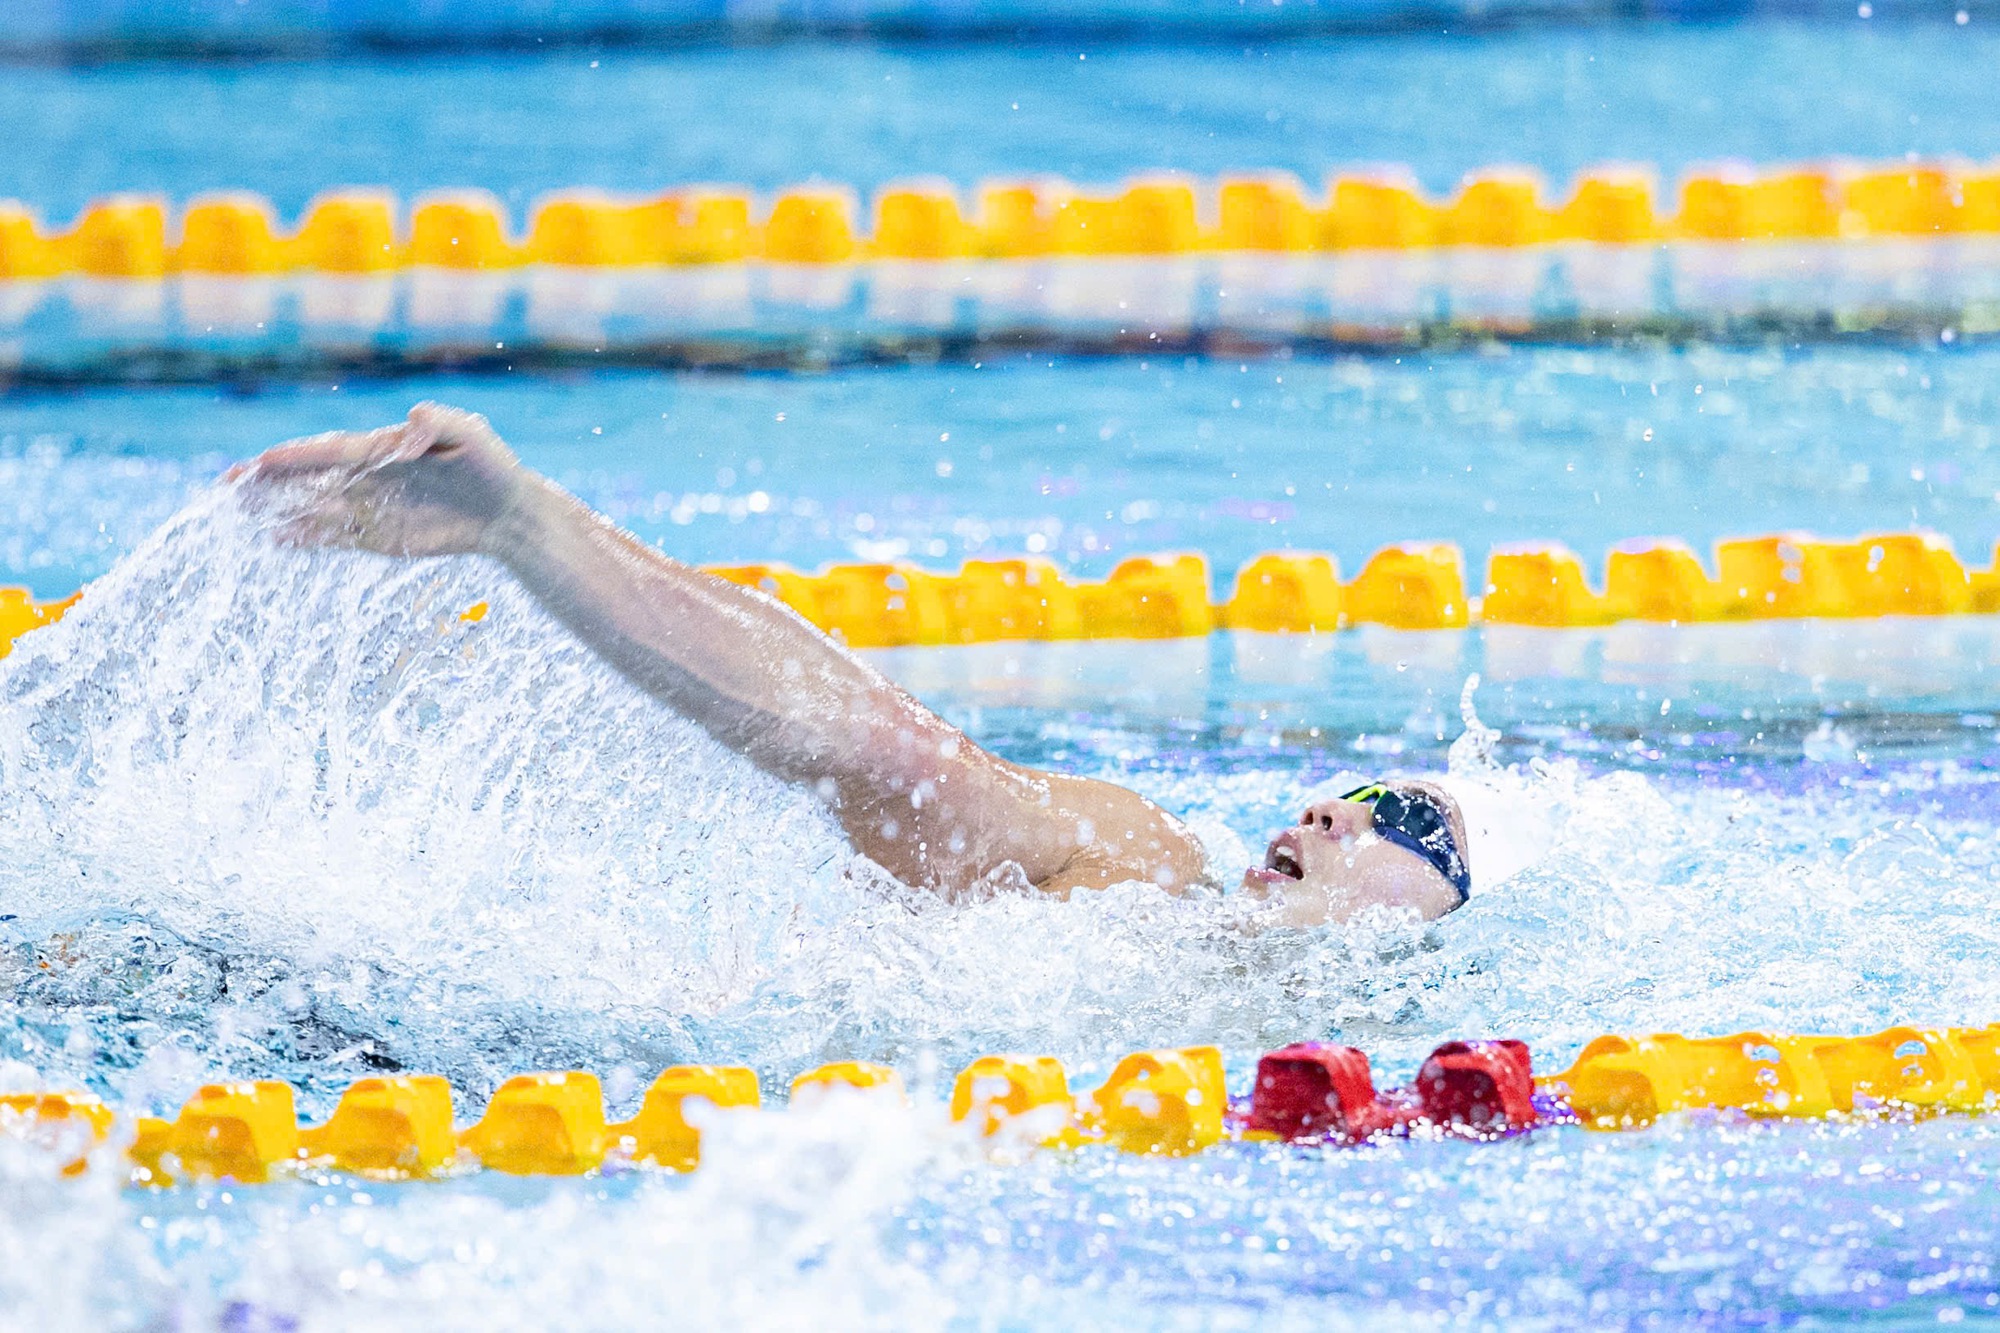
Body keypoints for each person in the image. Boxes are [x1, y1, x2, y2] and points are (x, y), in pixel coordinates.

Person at [233, 402, 1476, 928]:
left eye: (1396, 819)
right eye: (1350, 790)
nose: (1327, 802)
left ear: (1433, 912)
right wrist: (522, 530)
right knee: (911, 757)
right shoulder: (1141, 866)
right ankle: (517, 523)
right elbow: (881, 754)